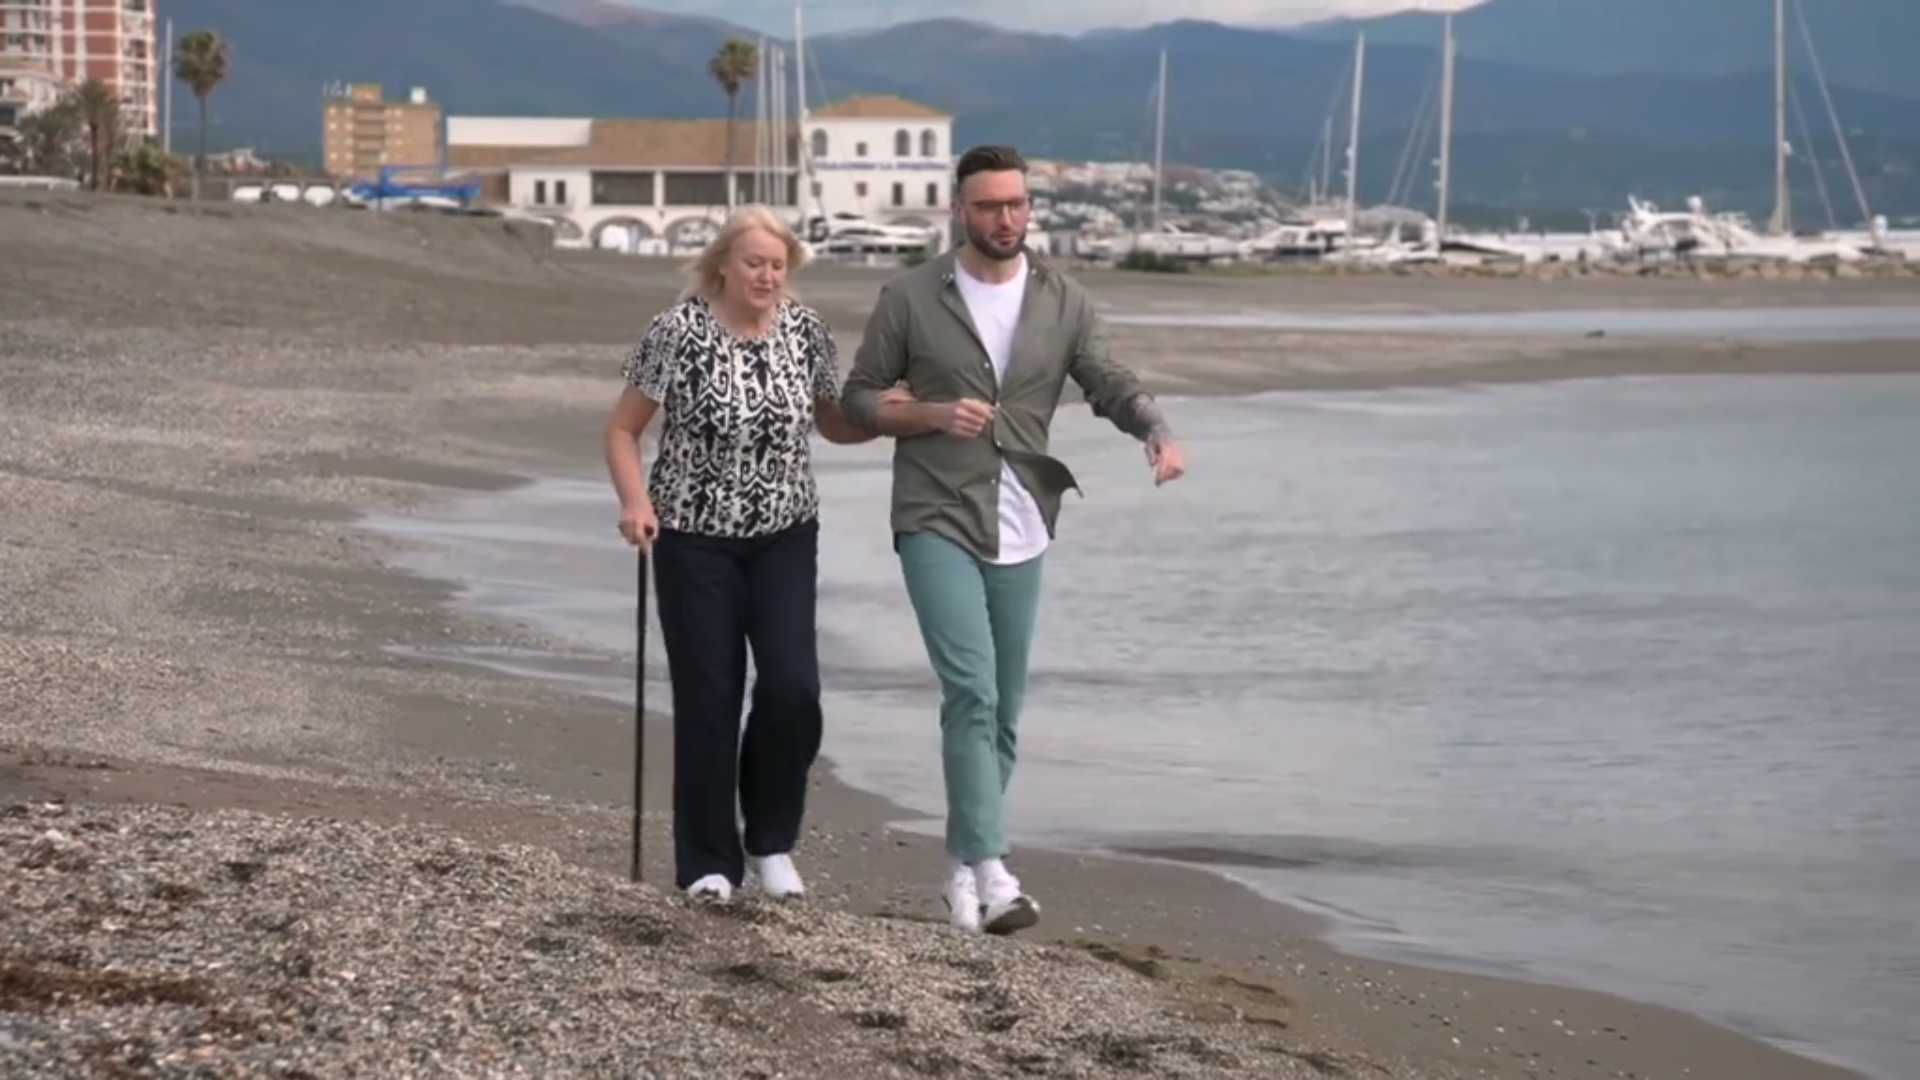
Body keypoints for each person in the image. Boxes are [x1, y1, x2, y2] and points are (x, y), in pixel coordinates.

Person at [841, 145, 1187, 934]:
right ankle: (995, 871)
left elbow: (1107, 380)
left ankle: (962, 871)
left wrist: (1157, 433)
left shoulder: (1063, 300)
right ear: (959, 211)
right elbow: (858, 400)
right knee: (970, 689)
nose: (1005, 218)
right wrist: (929, 414)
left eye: (1016, 204)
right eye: (989, 205)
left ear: (1030, 208)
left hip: (1025, 516)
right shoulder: (909, 296)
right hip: (934, 509)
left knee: (1004, 712)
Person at [603, 204, 885, 903]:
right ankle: (707, 862)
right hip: (693, 538)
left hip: (785, 533)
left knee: (793, 691)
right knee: (710, 697)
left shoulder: (807, 330)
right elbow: (622, 430)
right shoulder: (676, 332)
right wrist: (636, 503)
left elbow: (831, 422)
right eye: (754, 262)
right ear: (723, 264)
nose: (766, 276)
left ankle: (770, 843)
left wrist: (888, 422)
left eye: (777, 265)